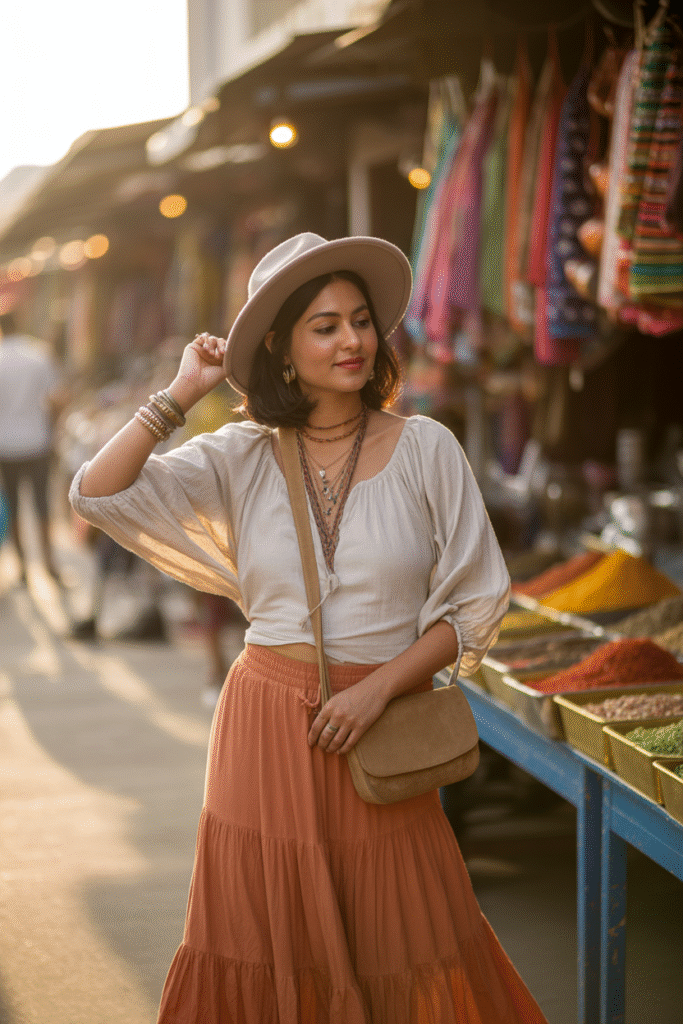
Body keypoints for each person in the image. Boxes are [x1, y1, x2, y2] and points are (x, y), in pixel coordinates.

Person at [69, 233, 549, 1023]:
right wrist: (184, 390)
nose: (353, 340)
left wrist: (379, 691)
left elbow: (471, 606)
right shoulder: (240, 455)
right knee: (267, 942)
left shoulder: (426, 447)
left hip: (382, 719)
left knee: (408, 937)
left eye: (359, 320)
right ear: (282, 350)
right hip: (264, 728)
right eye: (323, 327)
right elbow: (96, 493)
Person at [0, 311, 64, 584]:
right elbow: (58, 398)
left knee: (12, 505)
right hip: (37, 441)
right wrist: (52, 428)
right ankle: (49, 563)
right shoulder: (39, 354)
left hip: (5, 445)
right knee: (42, 505)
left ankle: (23, 567)